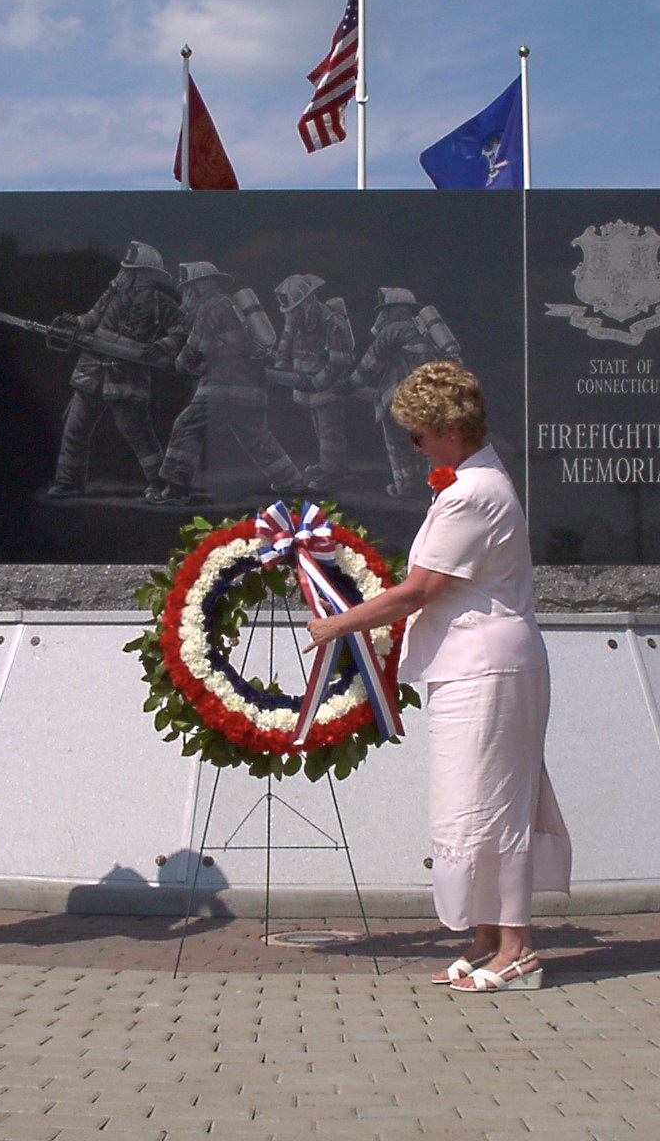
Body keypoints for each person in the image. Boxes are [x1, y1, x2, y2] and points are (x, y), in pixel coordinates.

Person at [304, 361, 570, 992]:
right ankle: (485, 941)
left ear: (449, 428)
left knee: (495, 807)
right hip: (474, 667)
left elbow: (420, 588)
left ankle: (519, 949)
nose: (413, 445)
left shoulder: (473, 493)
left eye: (418, 433)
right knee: (467, 805)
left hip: (489, 668)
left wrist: (336, 624)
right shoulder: (471, 486)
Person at [150, 262, 303, 505]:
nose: (185, 295)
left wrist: (179, 365)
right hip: (253, 390)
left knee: (186, 426)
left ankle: (175, 489)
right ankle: (291, 482)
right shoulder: (235, 306)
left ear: (199, 287)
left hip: (221, 388)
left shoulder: (209, 308)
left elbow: (193, 352)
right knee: (256, 435)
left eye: (188, 289)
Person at [45, 241, 187, 500]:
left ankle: (160, 484)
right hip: (92, 372)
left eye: (137, 272)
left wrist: (161, 347)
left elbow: (181, 330)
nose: (130, 276)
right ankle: (68, 483)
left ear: (151, 275)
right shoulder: (112, 294)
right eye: (129, 271)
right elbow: (90, 320)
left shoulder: (161, 303)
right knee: (74, 427)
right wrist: (73, 322)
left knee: (137, 432)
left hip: (127, 377)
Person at [349, 288, 462, 498]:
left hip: (402, 397)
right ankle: (435, 487)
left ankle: (407, 488)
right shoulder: (424, 330)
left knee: (398, 444)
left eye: (385, 310)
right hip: (431, 397)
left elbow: (371, 361)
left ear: (392, 309)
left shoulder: (394, 330)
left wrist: (351, 383)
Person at [272, 274, 354, 492]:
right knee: (321, 428)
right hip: (309, 385)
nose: (291, 314)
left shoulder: (331, 321)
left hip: (328, 384)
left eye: (294, 308)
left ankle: (334, 474)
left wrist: (319, 382)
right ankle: (328, 464)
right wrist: (281, 365)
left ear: (305, 302)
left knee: (330, 430)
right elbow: (290, 344)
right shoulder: (300, 320)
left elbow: (341, 360)